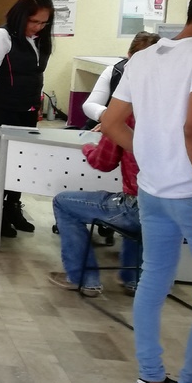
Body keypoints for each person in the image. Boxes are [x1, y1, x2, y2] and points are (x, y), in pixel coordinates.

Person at [101, 0, 192, 383]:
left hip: (152, 188)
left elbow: (110, 121)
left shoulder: (143, 58)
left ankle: (151, 379)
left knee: (153, 278)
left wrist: (151, 153)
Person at [0, 0, 55, 238]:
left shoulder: (39, 39)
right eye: (34, 21)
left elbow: (35, 73)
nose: (38, 27)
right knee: (6, 162)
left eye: (44, 23)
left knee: (23, 161)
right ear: (21, 16)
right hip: (5, 107)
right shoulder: (2, 36)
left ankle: (13, 206)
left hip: (29, 108)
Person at [48, 123, 141, 296]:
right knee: (144, 221)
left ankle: (83, 279)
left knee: (63, 203)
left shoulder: (125, 118)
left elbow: (103, 162)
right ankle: (133, 279)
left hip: (135, 205)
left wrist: (89, 146)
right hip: (173, 207)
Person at [82, 31, 160, 127]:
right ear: (129, 55)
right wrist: (108, 119)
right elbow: (89, 105)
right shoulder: (114, 72)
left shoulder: (165, 79)